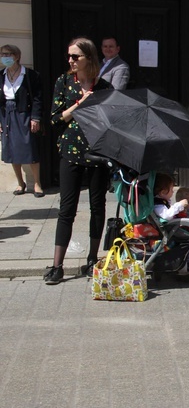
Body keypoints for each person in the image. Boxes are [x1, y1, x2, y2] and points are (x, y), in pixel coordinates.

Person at [45, 37, 113, 284]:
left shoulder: (104, 87)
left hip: (97, 153)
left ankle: (93, 259)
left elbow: (111, 123)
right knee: (67, 209)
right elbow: (54, 119)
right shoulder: (64, 82)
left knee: (98, 207)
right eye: (69, 56)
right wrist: (79, 105)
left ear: (89, 58)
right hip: (71, 152)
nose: (71, 61)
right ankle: (57, 266)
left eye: (76, 56)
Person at [0, 44, 44, 197]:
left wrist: (35, 118)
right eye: (3, 54)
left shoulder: (30, 75)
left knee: (30, 147)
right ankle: (20, 183)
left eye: (8, 54)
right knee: (11, 149)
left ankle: (37, 183)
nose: (5, 57)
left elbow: (38, 98)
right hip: (6, 115)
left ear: (17, 56)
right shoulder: (1, 75)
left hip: (24, 114)